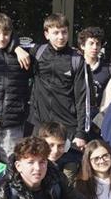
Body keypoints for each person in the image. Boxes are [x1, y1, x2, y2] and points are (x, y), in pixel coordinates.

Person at [29, 13, 90, 149]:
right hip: (40, 126)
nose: (61, 37)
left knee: (67, 162)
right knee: (39, 160)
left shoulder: (76, 59)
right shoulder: (37, 52)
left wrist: (81, 133)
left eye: (64, 32)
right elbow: (9, 45)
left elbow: (83, 98)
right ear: (46, 34)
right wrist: (17, 50)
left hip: (67, 127)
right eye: (56, 33)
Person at [0, 13, 32, 159]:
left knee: (10, 163)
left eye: (6, 34)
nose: (1, 38)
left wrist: (17, 48)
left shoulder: (23, 55)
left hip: (13, 124)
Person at [77, 27, 111, 138]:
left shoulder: (109, 70)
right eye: (91, 43)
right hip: (77, 120)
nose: (95, 47)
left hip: (98, 123)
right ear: (82, 46)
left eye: (97, 44)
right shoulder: (75, 66)